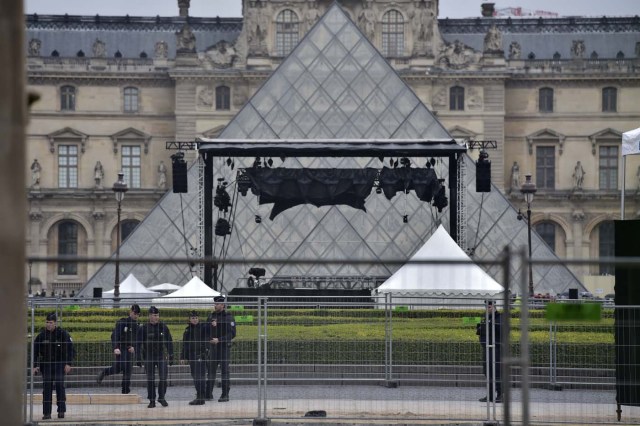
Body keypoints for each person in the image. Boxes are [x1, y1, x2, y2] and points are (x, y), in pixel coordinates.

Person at [32, 312, 75, 420]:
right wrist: (34, 365)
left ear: (55, 323)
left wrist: (68, 363)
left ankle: (61, 411)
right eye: (47, 322)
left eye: (50, 322)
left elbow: (71, 350)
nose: (48, 324)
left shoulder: (63, 334)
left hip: (59, 364)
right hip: (46, 365)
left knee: (60, 387)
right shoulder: (41, 335)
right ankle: (47, 413)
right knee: (47, 389)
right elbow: (34, 351)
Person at [96, 304, 141, 394]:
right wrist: (116, 348)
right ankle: (104, 372)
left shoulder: (137, 326)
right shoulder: (123, 322)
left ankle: (125, 391)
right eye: (135, 313)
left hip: (129, 350)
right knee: (119, 367)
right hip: (121, 348)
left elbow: (138, 340)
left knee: (128, 370)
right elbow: (115, 335)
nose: (136, 315)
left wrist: (134, 348)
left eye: (138, 314)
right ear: (131, 312)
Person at [136, 306, 174, 408]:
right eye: (154, 315)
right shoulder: (143, 328)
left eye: (157, 315)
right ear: (149, 316)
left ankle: (161, 397)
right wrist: (138, 358)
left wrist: (171, 354)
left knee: (163, 378)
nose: (156, 317)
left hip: (161, 356)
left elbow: (169, 341)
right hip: (148, 356)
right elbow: (138, 344)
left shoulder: (163, 327)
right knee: (150, 379)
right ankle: (151, 400)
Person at [205, 295, 236, 402]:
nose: (215, 305)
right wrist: (209, 339)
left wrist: (219, 339)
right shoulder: (211, 316)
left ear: (222, 305)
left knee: (224, 372)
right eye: (214, 304)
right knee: (211, 371)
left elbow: (232, 333)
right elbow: (206, 330)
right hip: (213, 348)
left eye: (217, 304)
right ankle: (208, 394)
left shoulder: (228, 317)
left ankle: (225, 394)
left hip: (223, 348)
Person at [180, 310, 209, 405]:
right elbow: (184, 345)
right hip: (192, 356)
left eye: (196, 318)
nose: (195, 319)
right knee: (195, 376)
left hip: (201, 355)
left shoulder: (204, 327)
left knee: (200, 376)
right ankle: (200, 396)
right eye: (193, 318)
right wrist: (183, 357)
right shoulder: (187, 330)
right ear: (189, 319)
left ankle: (201, 397)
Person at [476, 300, 502, 403]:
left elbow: (499, 331)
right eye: (486, 307)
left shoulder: (499, 318)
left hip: (496, 348)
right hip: (486, 348)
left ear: (494, 307)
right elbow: (479, 330)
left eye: (490, 307)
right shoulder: (485, 318)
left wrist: (487, 327)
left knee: (497, 372)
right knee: (487, 371)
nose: (488, 308)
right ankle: (490, 395)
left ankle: (500, 394)